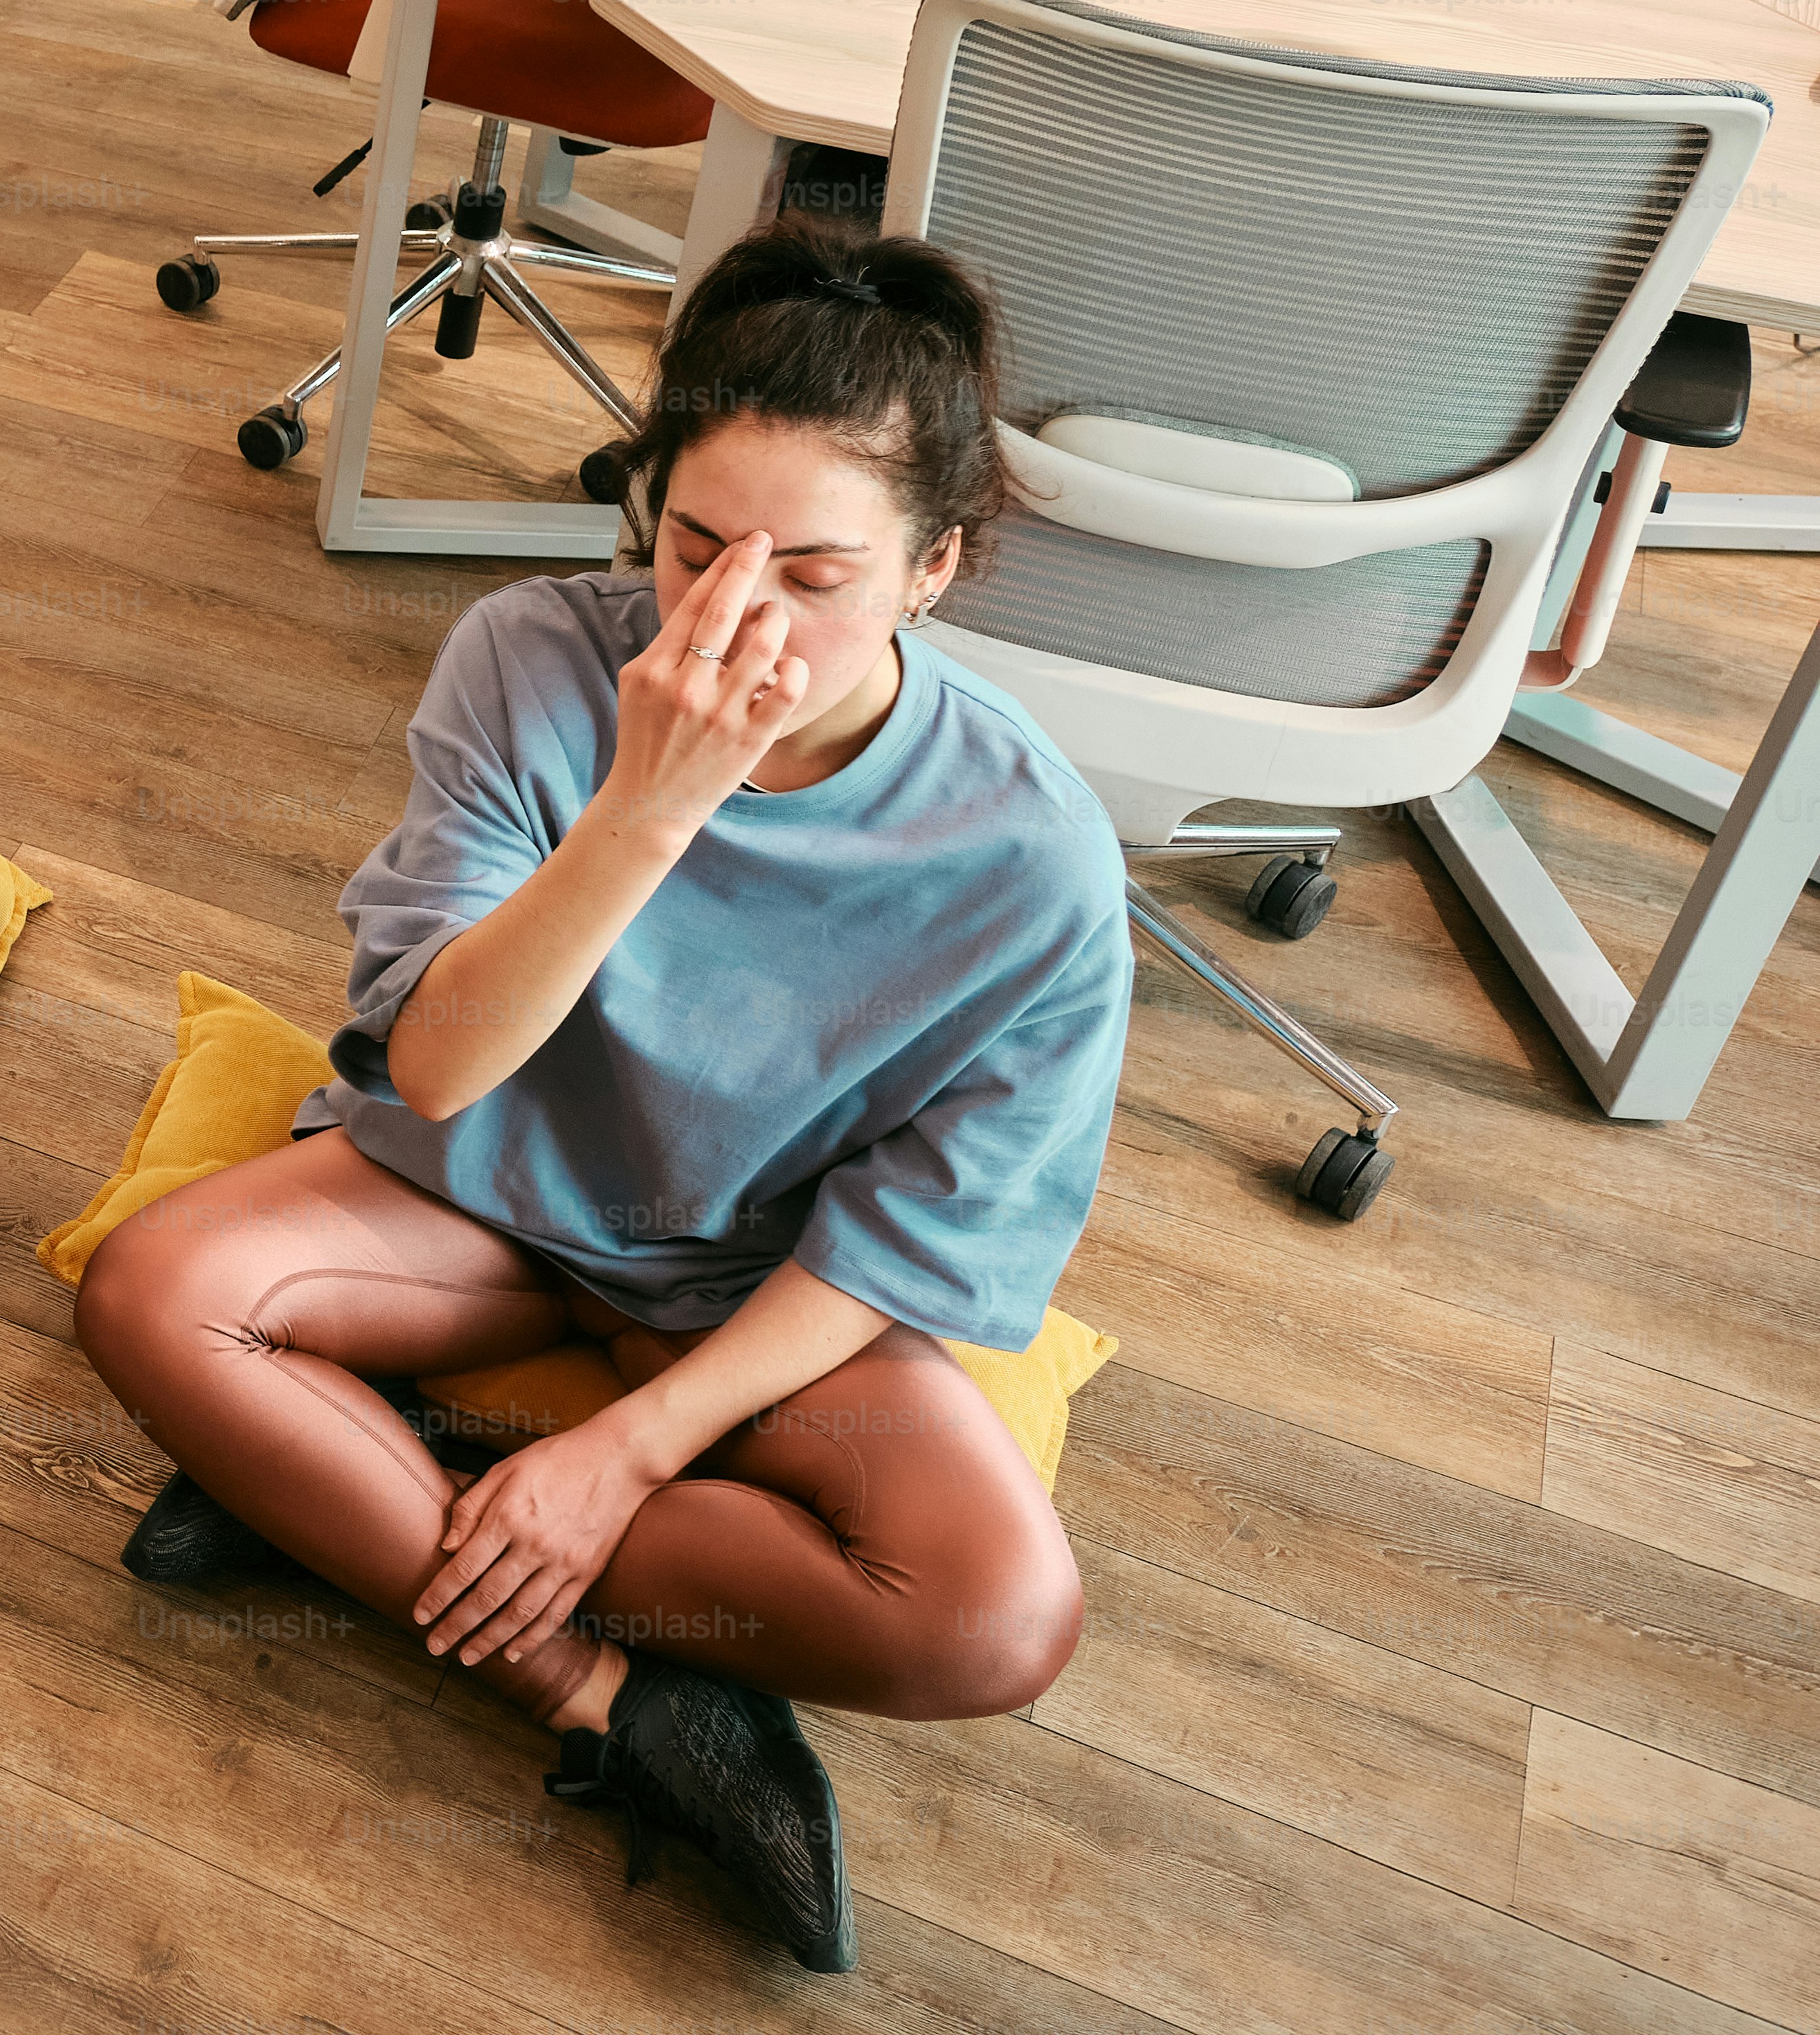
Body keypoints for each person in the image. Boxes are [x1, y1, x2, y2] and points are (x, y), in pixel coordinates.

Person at [71, 228, 1127, 1975]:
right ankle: (602, 1700)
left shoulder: (1030, 854)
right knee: (153, 1295)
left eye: (813, 574)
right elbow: (435, 1065)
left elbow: (923, 1233)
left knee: (993, 1614)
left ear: (935, 567)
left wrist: (615, 1453)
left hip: (756, 1280)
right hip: (474, 1181)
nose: (732, 620)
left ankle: (351, 1488)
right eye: (694, 548)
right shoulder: (529, 658)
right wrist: (647, 807)